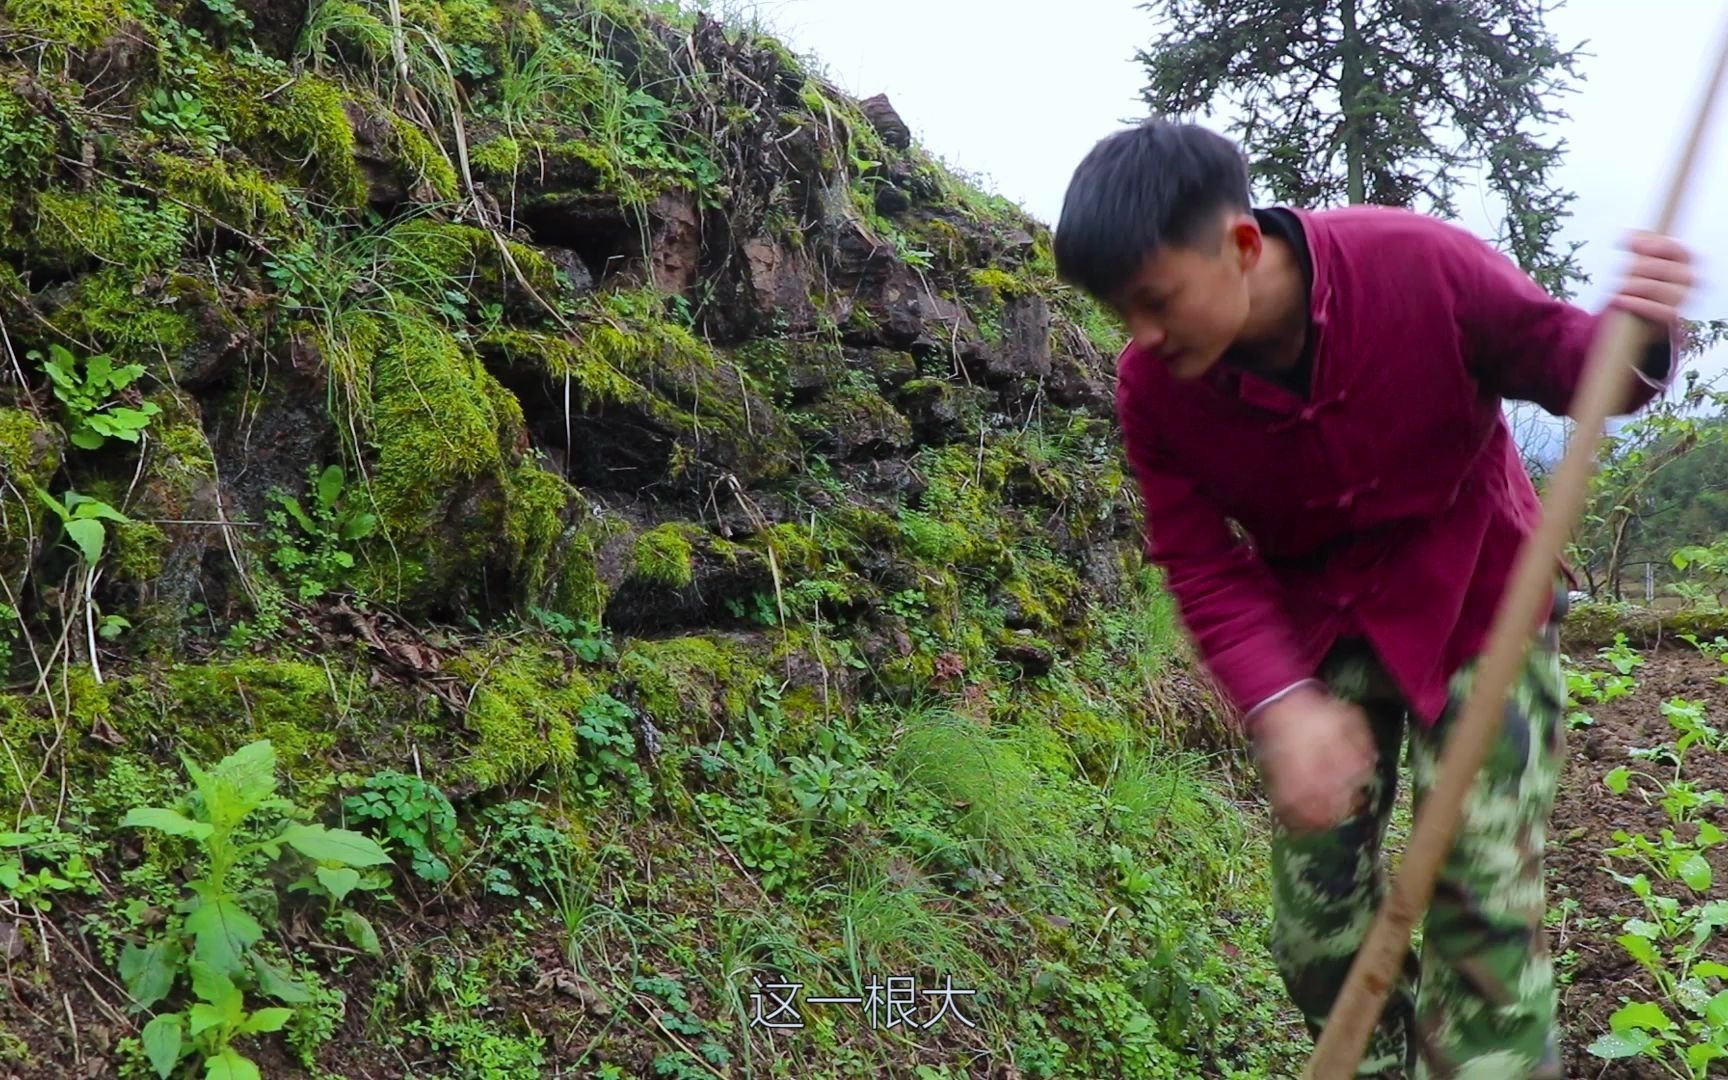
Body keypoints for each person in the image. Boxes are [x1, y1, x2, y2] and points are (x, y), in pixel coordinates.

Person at [1051, 118, 1694, 1078]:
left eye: (1155, 301)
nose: (1140, 337)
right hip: (1316, 630)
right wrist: (1282, 705)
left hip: (1481, 603)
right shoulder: (1156, 389)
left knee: (1481, 909)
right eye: (1120, 313)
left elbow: (1564, 360)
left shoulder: (1416, 263)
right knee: (1316, 943)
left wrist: (1638, 332)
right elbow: (1198, 561)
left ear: (1237, 246)